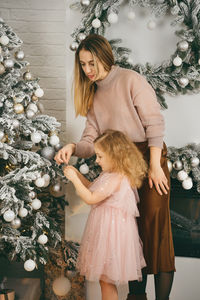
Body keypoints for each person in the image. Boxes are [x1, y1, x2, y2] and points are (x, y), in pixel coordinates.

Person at [55, 34, 175, 300]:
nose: (87, 70)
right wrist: (73, 148)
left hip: (148, 157)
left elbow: (155, 125)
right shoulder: (94, 95)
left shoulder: (131, 80)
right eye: (82, 64)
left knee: (155, 230)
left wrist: (155, 166)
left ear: (105, 57)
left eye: (91, 63)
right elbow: (90, 141)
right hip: (120, 163)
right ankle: (136, 297)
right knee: (133, 232)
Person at [64, 130, 147, 300]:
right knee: (105, 281)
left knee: (106, 280)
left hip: (111, 237)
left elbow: (91, 198)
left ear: (114, 156)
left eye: (100, 156)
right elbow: (92, 187)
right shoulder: (109, 174)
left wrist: (73, 179)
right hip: (105, 233)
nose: (97, 160)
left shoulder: (117, 177)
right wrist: (77, 174)